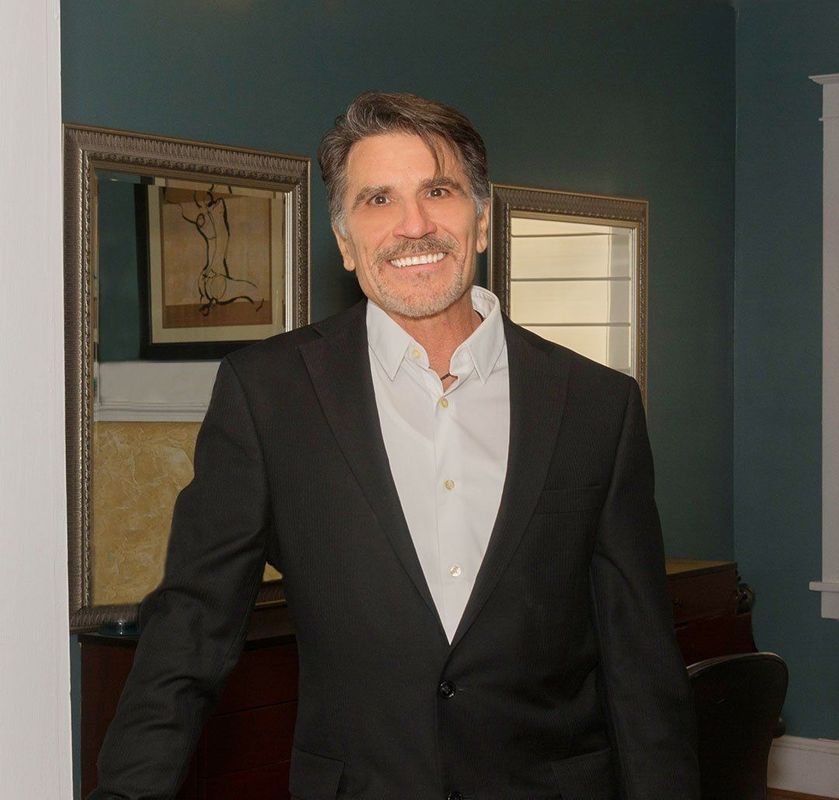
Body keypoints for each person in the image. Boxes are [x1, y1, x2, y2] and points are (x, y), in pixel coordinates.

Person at [91, 91, 699, 800]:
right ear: (346, 242)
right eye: (377, 200)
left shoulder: (597, 405)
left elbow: (640, 660)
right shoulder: (268, 394)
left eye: (436, 191)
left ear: (478, 219)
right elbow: (189, 629)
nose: (413, 225)